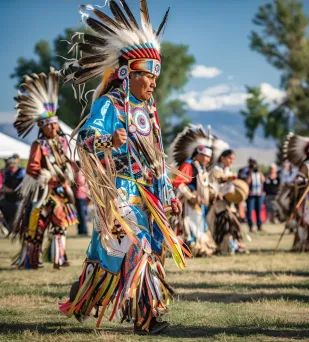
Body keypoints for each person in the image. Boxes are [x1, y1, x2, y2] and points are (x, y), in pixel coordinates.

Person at [59, 1, 190, 335]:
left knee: (129, 252)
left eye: (155, 76)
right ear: (127, 73)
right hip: (119, 191)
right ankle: (148, 319)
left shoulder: (148, 111)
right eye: (148, 75)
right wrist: (109, 142)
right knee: (139, 246)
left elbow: (157, 158)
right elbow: (86, 140)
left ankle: (85, 295)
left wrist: (168, 192)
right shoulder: (109, 104)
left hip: (147, 194)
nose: (153, 82)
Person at [10, 68, 78, 270]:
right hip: (43, 193)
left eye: (55, 125)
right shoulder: (38, 146)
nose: (54, 128)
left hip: (60, 191)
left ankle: (58, 258)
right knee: (36, 227)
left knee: (60, 225)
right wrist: (44, 175)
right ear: (41, 127)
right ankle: (30, 260)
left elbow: (70, 162)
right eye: (49, 125)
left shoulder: (63, 144)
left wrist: (67, 172)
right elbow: (31, 168)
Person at [171, 125, 217, 257]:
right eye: (205, 156)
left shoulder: (201, 168)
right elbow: (178, 182)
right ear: (198, 154)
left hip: (200, 202)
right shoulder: (189, 164)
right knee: (190, 226)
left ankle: (201, 248)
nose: (208, 159)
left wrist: (212, 194)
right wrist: (191, 197)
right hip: (189, 202)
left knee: (199, 225)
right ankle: (191, 248)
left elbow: (205, 185)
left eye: (209, 157)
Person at [209, 149, 247, 254]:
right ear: (222, 158)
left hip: (229, 203)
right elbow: (213, 185)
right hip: (219, 204)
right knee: (223, 224)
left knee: (233, 225)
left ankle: (233, 246)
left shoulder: (229, 171)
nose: (232, 161)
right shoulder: (216, 170)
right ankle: (221, 247)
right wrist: (217, 194)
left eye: (233, 159)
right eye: (230, 158)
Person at [0, 156, 25, 232]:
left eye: (12, 164)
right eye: (9, 164)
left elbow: (23, 186)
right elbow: (3, 184)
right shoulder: (7, 172)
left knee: (17, 212)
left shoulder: (22, 172)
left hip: (18, 199)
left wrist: (12, 190)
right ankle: (7, 226)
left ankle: (16, 228)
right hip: (7, 199)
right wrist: (5, 189)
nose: (11, 166)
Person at [246, 159, 265, 232]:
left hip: (259, 194)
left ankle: (259, 225)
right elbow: (247, 181)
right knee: (250, 210)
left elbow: (263, 180)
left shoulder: (259, 173)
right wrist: (251, 173)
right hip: (251, 195)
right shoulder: (248, 172)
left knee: (259, 211)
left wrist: (259, 171)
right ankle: (251, 226)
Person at [73, 161, 89, 236]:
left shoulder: (79, 173)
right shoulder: (82, 172)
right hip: (82, 195)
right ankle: (81, 229)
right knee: (80, 213)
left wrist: (73, 183)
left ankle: (83, 230)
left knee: (81, 213)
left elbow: (79, 182)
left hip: (79, 195)